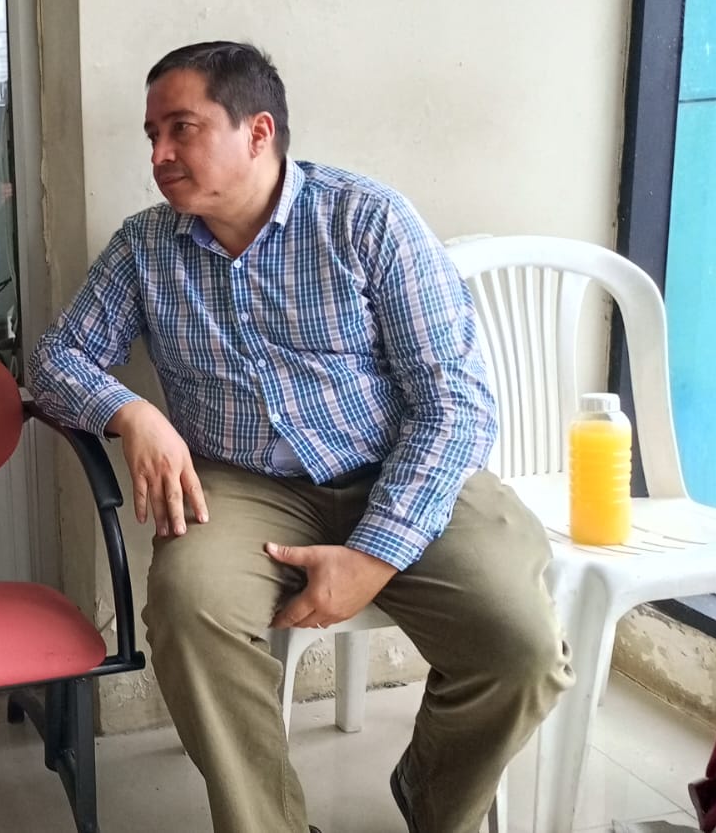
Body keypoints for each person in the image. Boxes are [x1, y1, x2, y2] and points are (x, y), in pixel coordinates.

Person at [28, 41, 573, 833]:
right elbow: (55, 361)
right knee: (189, 608)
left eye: (181, 128)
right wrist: (131, 412)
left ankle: (431, 796)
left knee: (520, 648)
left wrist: (372, 555)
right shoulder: (144, 247)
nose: (158, 154)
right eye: (151, 135)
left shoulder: (367, 219)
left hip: (399, 467)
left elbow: (455, 402)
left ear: (257, 132)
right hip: (244, 485)